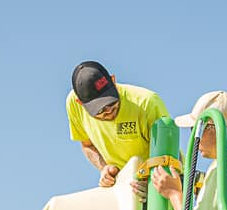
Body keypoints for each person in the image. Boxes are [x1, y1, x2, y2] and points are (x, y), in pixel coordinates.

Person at [66, 61, 170, 189]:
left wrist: (152, 185)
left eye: (111, 102)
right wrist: (103, 167)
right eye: (100, 109)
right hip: (122, 186)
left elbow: (167, 158)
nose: (108, 110)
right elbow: (87, 145)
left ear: (113, 81)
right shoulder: (73, 104)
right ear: (80, 103)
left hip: (161, 182)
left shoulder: (147, 103)